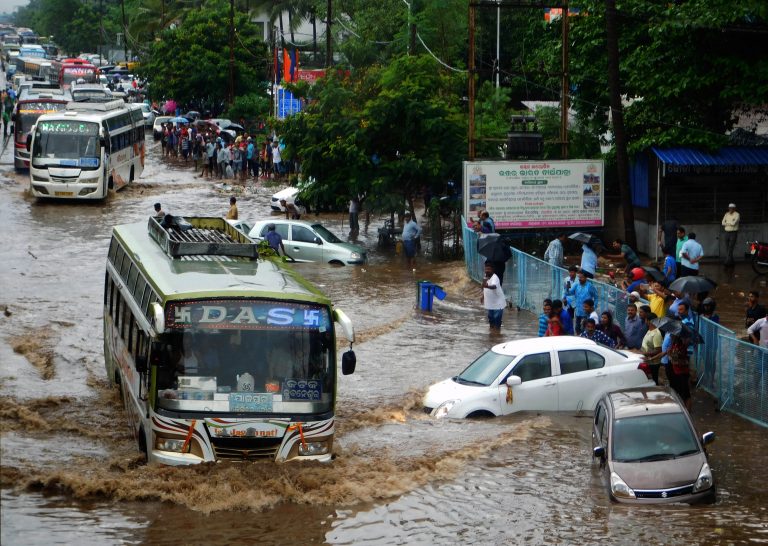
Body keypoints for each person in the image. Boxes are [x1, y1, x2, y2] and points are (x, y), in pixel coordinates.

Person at [667, 333, 692, 410]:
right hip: (676, 372)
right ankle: (683, 408)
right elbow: (671, 356)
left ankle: (687, 411)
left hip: (682, 373)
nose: (671, 337)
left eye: (672, 336)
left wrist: (671, 354)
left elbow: (677, 357)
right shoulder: (674, 345)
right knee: (680, 393)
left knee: (686, 394)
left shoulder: (682, 347)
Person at [481, 262, 506, 333]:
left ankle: (497, 333)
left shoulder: (495, 277)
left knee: (497, 318)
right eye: (486, 269)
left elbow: (494, 286)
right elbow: (483, 287)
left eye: (489, 269)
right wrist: (482, 296)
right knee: (490, 318)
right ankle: (492, 333)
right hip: (490, 302)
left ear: (493, 270)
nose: (487, 270)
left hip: (498, 302)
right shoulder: (485, 277)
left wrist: (487, 286)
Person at [640, 313, 664, 385]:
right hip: (648, 360)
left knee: (653, 380)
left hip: (653, 362)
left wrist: (645, 353)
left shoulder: (656, 333)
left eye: (645, 320)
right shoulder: (650, 330)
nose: (645, 321)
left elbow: (659, 350)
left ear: (649, 321)